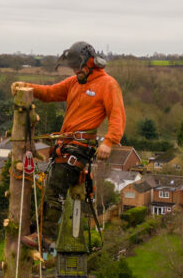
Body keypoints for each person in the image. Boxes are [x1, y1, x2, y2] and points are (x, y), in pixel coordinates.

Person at [11, 41, 126, 248]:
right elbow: (49, 93)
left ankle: (46, 236)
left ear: (90, 63)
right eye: (72, 67)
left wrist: (109, 142)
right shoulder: (74, 82)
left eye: (78, 67)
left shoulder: (107, 84)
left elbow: (117, 116)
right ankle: (37, 230)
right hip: (65, 145)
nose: (75, 71)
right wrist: (26, 87)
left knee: (56, 187)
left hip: (80, 147)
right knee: (51, 186)